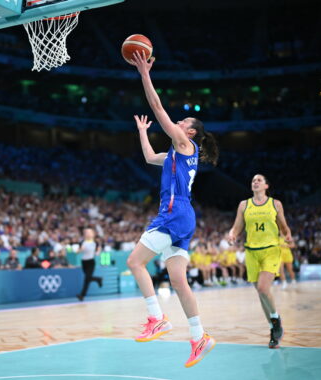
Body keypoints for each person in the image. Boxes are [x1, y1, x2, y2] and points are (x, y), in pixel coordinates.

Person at [126, 51, 220, 368]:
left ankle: (157, 318)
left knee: (134, 262)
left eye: (184, 123)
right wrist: (142, 132)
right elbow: (150, 158)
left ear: (190, 132)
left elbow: (158, 108)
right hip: (184, 216)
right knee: (178, 282)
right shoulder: (175, 155)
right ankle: (199, 337)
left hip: (174, 212)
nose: (178, 123)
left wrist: (144, 74)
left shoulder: (184, 144)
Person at [227, 174, 292, 349]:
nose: (255, 182)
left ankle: (276, 319)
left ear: (266, 186)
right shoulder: (244, 205)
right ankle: (273, 329)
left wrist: (287, 234)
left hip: (270, 250)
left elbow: (283, 225)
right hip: (251, 252)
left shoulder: (275, 204)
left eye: (259, 180)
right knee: (261, 294)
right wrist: (232, 233)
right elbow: (237, 226)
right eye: (253, 180)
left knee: (263, 288)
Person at [76, 228, 103, 301]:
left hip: (91, 262)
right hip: (84, 262)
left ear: (93, 234)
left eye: (90, 232)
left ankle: (82, 295)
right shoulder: (82, 242)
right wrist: (81, 249)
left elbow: (98, 252)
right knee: (87, 279)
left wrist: (98, 252)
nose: (88, 234)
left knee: (87, 278)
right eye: (86, 232)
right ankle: (98, 279)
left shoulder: (96, 243)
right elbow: (77, 252)